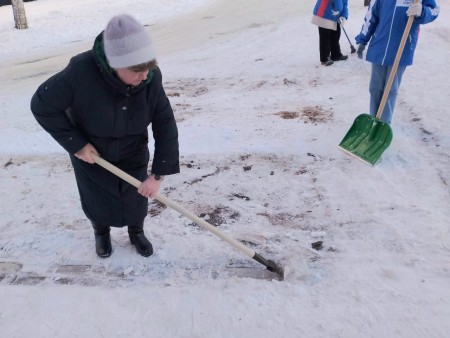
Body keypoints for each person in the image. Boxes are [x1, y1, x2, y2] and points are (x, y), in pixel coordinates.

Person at [31, 14, 180, 258]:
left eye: (148, 68)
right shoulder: (80, 72)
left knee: (136, 198)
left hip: (133, 149)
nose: (144, 76)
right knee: (96, 199)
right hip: (93, 153)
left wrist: (158, 173)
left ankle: (136, 232)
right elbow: (42, 105)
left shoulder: (151, 78)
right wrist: (77, 145)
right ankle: (101, 233)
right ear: (114, 64)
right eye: (137, 70)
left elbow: (165, 122)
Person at [355, 0, 439, 124]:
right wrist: (363, 39)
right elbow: (371, 17)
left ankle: (384, 124)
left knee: (390, 90)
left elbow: (435, 10)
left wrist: (422, 11)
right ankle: (374, 120)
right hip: (380, 47)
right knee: (375, 88)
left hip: (402, 47)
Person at [312, 0, 349, 66]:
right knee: (325, 37)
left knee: (336, 34)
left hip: (334, 14)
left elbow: (345, 2)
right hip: (324, 12)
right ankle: (324, 59)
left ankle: (336, 54)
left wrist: (344, 15)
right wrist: (338, 9)